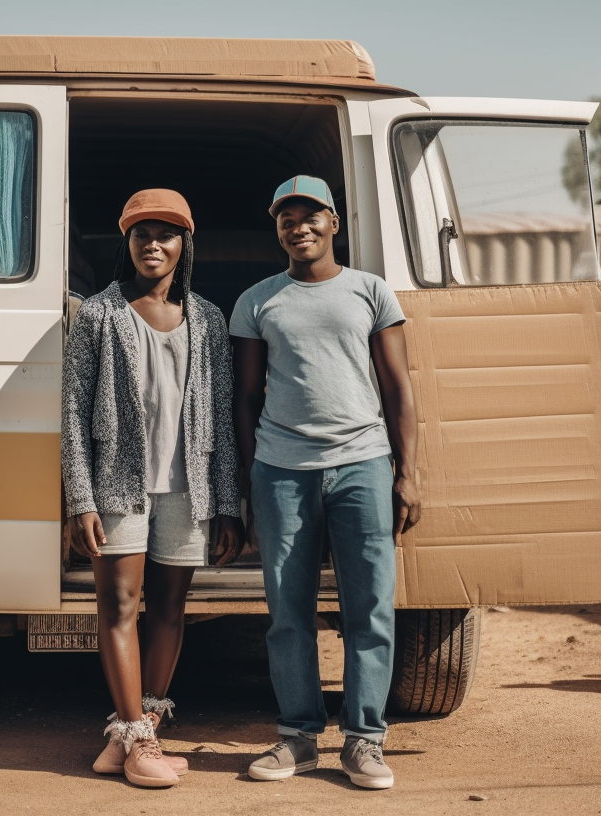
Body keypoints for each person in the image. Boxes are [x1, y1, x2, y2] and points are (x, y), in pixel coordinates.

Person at [230, 175, 420, 790]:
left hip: (363, 463)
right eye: (287, 217)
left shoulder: (369, 291)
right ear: (278, 227)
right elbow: (247, 397)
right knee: (289, 612)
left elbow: (397, 388)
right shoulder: (258, 301)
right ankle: (298, 738)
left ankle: (364, 742)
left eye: (311, 215)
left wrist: (408, 472)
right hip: (282, 470)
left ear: (334, 223)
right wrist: (246, 478)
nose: (299, 226)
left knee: (370, 607)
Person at [62, 189, 244, 789]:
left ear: (184, 243)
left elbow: (219, 416)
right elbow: (72, 410)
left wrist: (224, 503)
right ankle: (137, 741)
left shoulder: (209, 318)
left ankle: (138, 734)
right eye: (142, 234)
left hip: (186, 487)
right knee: (118, 606)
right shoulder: (99, 314)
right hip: (119, 486)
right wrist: (80, 498)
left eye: (166, 233)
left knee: (169, 608)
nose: (154, 244)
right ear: (127, 242)